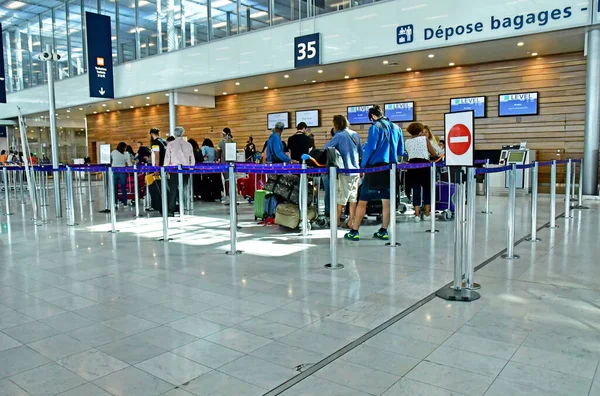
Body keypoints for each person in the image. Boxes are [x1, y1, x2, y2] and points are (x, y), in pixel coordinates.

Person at [344, 105, 404, 241]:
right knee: (386, 202)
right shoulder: (397, 128)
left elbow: (371, 147)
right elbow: (400, 151)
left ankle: (354, 231)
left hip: (375, 169)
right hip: (390, 169)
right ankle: (383, 231)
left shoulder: (375, 127)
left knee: (363, 201)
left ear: (372, 116)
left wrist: (363, 165)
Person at [323, 115, 363, 228]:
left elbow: (326, 147)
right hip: (355, 170)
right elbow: (360, 151)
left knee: (341, 197)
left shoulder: (339, 136)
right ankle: (351, 221)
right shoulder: (354, 134)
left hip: (344, 170)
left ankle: (336, 221)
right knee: (353, 198)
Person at [405, 122, 438, 221]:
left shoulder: (407, 141)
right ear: (420, 131)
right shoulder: (424, 139)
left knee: (416, 190)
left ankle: (417, 215)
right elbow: (433, 153)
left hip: (412, 167)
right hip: (424, 166)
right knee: (427, 189)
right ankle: (427, 214)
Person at [163, 126, 195, 216]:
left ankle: (171, 210)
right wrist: (191, 169)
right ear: (183, 133)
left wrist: (166, 168)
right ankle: (183, 207)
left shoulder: (170, 144)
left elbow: (167, 158)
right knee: (183, 189)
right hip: (185, 170)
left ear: (174, 133)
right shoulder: (188, 145)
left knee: (173, 190)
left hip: (173, 170)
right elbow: (191, 159)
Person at [110, 142, 132, 207]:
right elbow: (129, 163)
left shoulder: (113, 152)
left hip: (114, 171)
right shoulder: (126, 154)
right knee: (123, 188)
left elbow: (110, 159)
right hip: (122, 171)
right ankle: (125, 203)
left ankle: (115, 203)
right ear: (124, 147)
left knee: (115, 187)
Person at [217, 128, 235, 203]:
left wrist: (218, 159)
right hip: (232, 162)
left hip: (224, 162)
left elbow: (218, 151)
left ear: (224, 133)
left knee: (226, 179)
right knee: (232, 179)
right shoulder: (233, 140)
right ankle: (233, 195)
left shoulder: (222, 141)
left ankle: (227, 196)